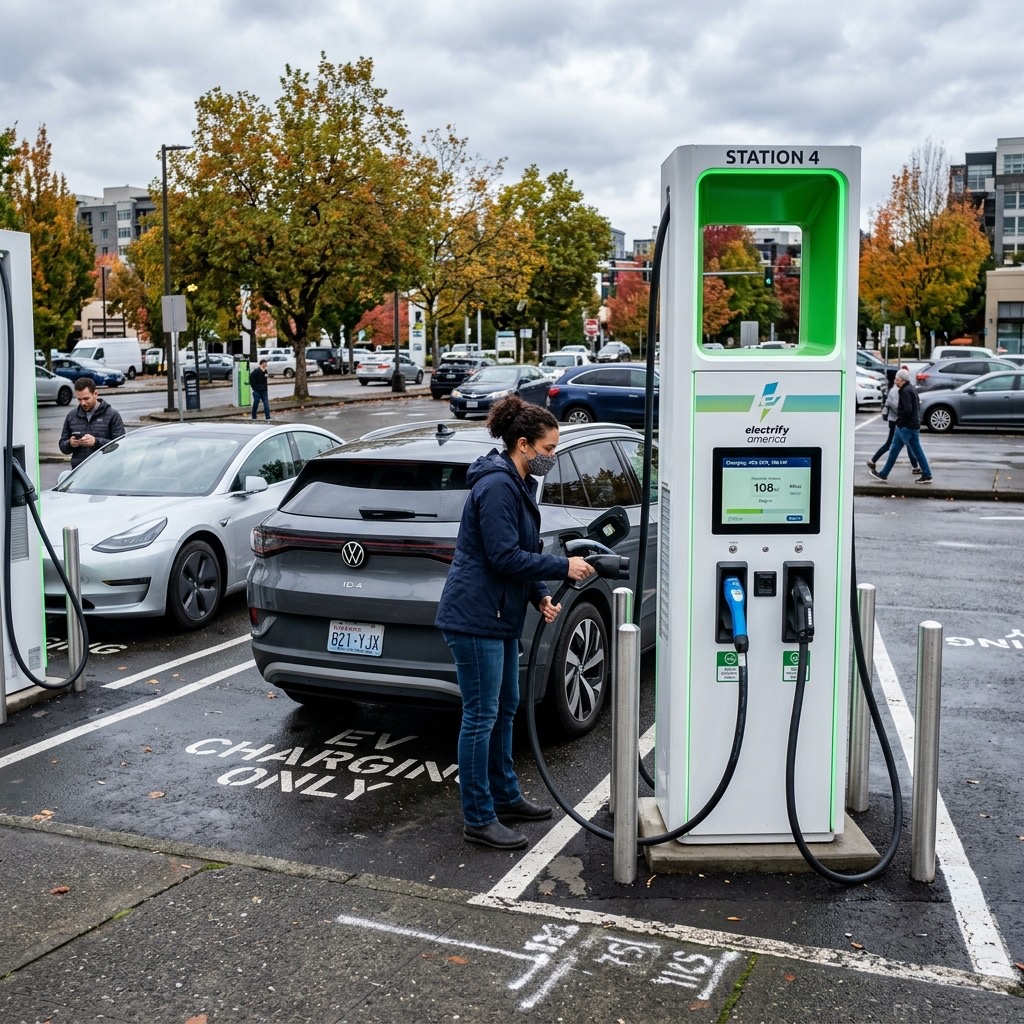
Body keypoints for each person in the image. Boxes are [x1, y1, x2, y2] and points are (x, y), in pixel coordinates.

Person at [436, 395, 596, 850]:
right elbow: (503, 556)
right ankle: (478, 817)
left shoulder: (520, 483)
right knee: (481, 716)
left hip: (500, 614)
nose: (552, 457)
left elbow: (520, 548)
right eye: (548, 449)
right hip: (474, 617)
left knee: (505, 707)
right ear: (523, 445)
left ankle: (505, 797)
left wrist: (540, 595)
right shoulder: (497, 487)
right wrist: (561, 568)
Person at [868, 368, 932, 484]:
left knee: (897, 450)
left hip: (905, 426)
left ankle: (884, 474)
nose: (895, 381)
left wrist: (900, 421)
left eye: (897, 380)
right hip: (912, 425)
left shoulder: (905, 391)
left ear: (902, 380)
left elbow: (907, 409)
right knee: (907, 450)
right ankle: (926, 474)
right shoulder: (911, 388)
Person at [58, 377, 126, 470]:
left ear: (95, 394)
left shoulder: (112, 415)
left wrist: (96, 442)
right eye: (79, 399)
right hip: (79, 472)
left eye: (86, 398)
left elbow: (121, 446)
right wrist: (70, 443)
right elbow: (62, 446)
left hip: (106, 472)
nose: (83, 403)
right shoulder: (72, 416)